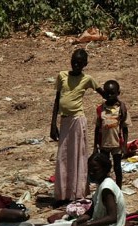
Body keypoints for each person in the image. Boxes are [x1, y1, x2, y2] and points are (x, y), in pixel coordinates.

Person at [50, 48, 103, 205]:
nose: (76, 65)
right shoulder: (62, 76)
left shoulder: (87, 79)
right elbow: (57, 100)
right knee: (63, 157)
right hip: (64, 121)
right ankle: (63, 195)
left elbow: (103, 92)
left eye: (80, 63)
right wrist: (53, 124)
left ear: (85, 64)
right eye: (74, 61)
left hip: (78, 120)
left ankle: (77, 193)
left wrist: (116, 103)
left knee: (78, 156)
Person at [69, 152, 126, 226]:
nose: (91, 173)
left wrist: (88, 224)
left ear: (105, 169)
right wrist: (77, 221)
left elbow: (112, 217)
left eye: (95, 170)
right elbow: (91, 212)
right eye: (89, 170)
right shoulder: (101, 185)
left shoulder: (106, 188)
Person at [94, 80, 131, 188]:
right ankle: (104, 187)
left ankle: (118, 188)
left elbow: (124, 128)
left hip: (117, 144)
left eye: (112, 93)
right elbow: (97, 128)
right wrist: (95, 147)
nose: (109, 96)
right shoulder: (100, 109)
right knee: (104, 168)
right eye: (107, 93)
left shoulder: (121, 110)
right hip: (104, 144)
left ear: (118, 93)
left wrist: (124, 145)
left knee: (117, 168)